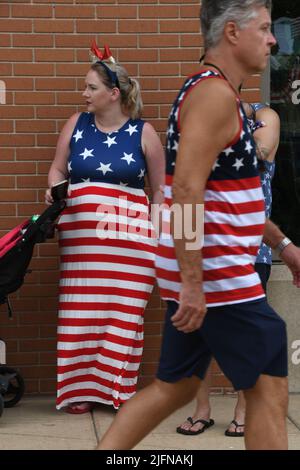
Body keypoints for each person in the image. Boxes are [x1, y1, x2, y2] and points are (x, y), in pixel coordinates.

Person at [98, 0, 300, 450]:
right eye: (265, 28)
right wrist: (192, 282)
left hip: (203, 272)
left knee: (179, 385)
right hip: (216, 276)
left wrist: (284, 245)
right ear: (232, 32)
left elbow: (230, 198)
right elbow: (185, 191)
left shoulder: (217, 93)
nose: (272, 40)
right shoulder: (213, 95)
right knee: (268, 382)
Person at [45, 42, 165, 414]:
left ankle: (116, 390)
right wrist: (52, 189)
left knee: (124, 315)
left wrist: (160, 236)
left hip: (132, 246)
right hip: (84, 244)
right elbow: (57, 169)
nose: (84, 94)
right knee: (81, 313)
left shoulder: (143, 133)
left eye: (91, 87)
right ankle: (80, 391)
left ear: (113, 94)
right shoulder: (76, 124)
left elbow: (160, 190)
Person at [176, 101, 280, 437]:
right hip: (203, 246)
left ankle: (243, 409)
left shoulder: (264, 116)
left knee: (244, 334)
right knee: (199, 331)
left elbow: (262, 152)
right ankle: (202, 409)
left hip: (250, 248)